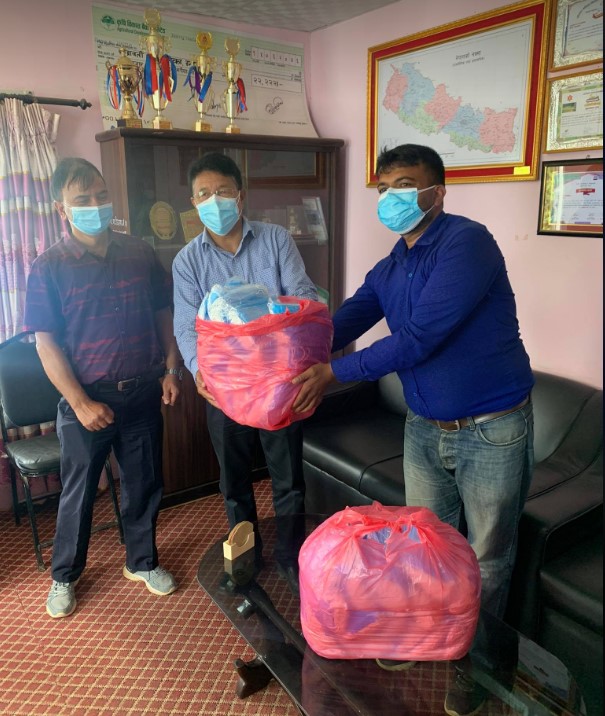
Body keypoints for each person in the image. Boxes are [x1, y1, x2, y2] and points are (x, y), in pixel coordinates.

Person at [293, 143, 534, 620]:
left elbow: (419, 338)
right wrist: (289, 350)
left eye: (404, 186)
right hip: (423, 425)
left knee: (486, 557)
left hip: (490, 429)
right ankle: (433, 634)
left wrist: (333, 373)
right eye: (384, 189)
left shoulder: (467, 243)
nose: (390, 198)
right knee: (425, 544)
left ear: (437, 192)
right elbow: (345, 321)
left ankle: (476, 652)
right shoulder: (393, 265)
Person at [23, 157, 181, 619]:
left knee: (144, 482)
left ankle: (142, 562)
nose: (94, 205)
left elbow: (163, 313)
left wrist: (172, 369)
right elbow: (46, 345)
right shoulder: (48, 267)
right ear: (62, 208)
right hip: (86, 401)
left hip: (143, 392)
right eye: (82, 199)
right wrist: (80, 402)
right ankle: (65, 575)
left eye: (100, 195)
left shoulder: (139, 252)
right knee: (79, 492)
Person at [172, 152, 317, 589]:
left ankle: (291, 556)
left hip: (279, 383)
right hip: (225, 388)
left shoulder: (276, 240)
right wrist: (198, 370)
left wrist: (274, 335)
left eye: (222, 191)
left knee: (288, 479)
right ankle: (246, 559)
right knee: (233, 482)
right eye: (203, 194)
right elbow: (186, 324)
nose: (213, 200)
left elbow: (303, 297)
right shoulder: (187, 260)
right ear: (193, 202)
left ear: (240, 194)